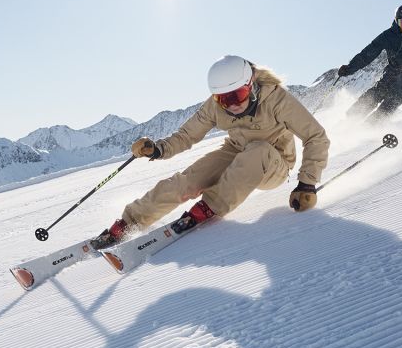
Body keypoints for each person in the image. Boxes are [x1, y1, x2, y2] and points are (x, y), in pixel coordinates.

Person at [93, 55, 331, 249]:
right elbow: (187, 135)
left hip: (273, 162)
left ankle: (210, 207)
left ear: (251, 85)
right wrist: (158, 149)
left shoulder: (277, 100)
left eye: (237, 95)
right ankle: (129, 222)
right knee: (186, 181)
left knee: (257, 150)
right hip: (236, 151)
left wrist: (306, 183)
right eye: (223, 99)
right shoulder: (216, 106)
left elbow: (316, 136)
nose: (232, 104)